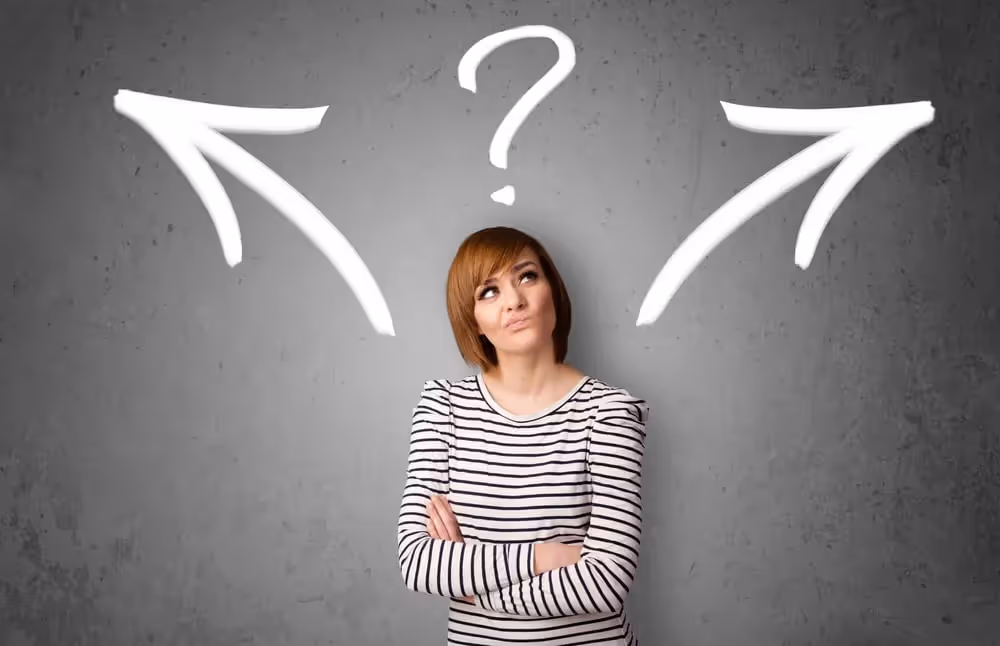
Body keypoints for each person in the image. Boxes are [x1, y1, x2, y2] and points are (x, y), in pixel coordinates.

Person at [396, 226, 649, 645]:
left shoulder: (608, 413)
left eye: (527, 276)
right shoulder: (442, 407)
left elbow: (606, 583)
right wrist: (543, 556)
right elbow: (418, 562)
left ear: (553, 289)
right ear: (471, 319)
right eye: (488, 291)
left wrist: (469, 585)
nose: (514, 300)